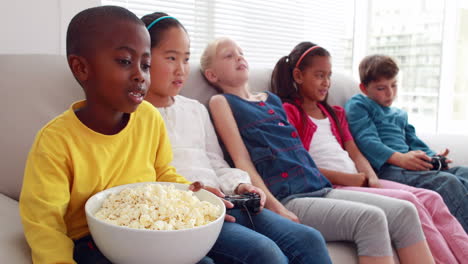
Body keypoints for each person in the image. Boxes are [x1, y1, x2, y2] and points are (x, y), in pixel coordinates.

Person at [202, 37, 435, 264]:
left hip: (319, 185)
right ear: (212, 74)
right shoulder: (221, 102)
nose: (239, 57)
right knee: (371, 219)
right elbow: (242, 161)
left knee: (405, 211)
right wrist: (277, 208)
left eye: (241, 52)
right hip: (290, 195)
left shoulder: (271, 100)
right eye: (229, 55)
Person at [19, 6, 215, 264]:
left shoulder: (148, 117)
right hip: (88, 239)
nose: (140, 76)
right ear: (81, 68)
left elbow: (162, 172)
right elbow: (43, 223)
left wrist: (188, 196)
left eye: (145, 65)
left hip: (149, 229)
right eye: (125, 61)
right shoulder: (56, 141)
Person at [141, 12, 332, 264]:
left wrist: (241, 186)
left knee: (310, 239)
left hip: (229, 201)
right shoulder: (136, 117)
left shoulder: (195, 109)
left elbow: (216, 163)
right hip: (192, 215)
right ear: (143, 59)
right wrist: (197, 200)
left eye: (186, 59)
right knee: (265, 253)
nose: (181, 69)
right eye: (171, 58)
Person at [271, 41, 468, 264]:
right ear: (298, 76)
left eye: (329, 75)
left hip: (360, 179)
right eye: (319, 75)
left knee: (430, 198)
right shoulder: (290, 112)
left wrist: (371, 178)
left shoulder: (334, 113)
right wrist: (353, 179)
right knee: (408, 202)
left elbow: (355, 153)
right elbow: (299, 165)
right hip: (335, 184)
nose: (326, 83)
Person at [345, 54, 468, 233]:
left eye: (394, 85)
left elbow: (414, 142)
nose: (390, 93)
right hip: (387, 168)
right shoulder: (359, 104)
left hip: (410, 165)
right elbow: (367, 141)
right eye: (381, 88)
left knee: (463, 173)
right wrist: (400, 159)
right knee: (447, 182)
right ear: (364, 88)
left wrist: (433, 156)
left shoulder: (399, 114)